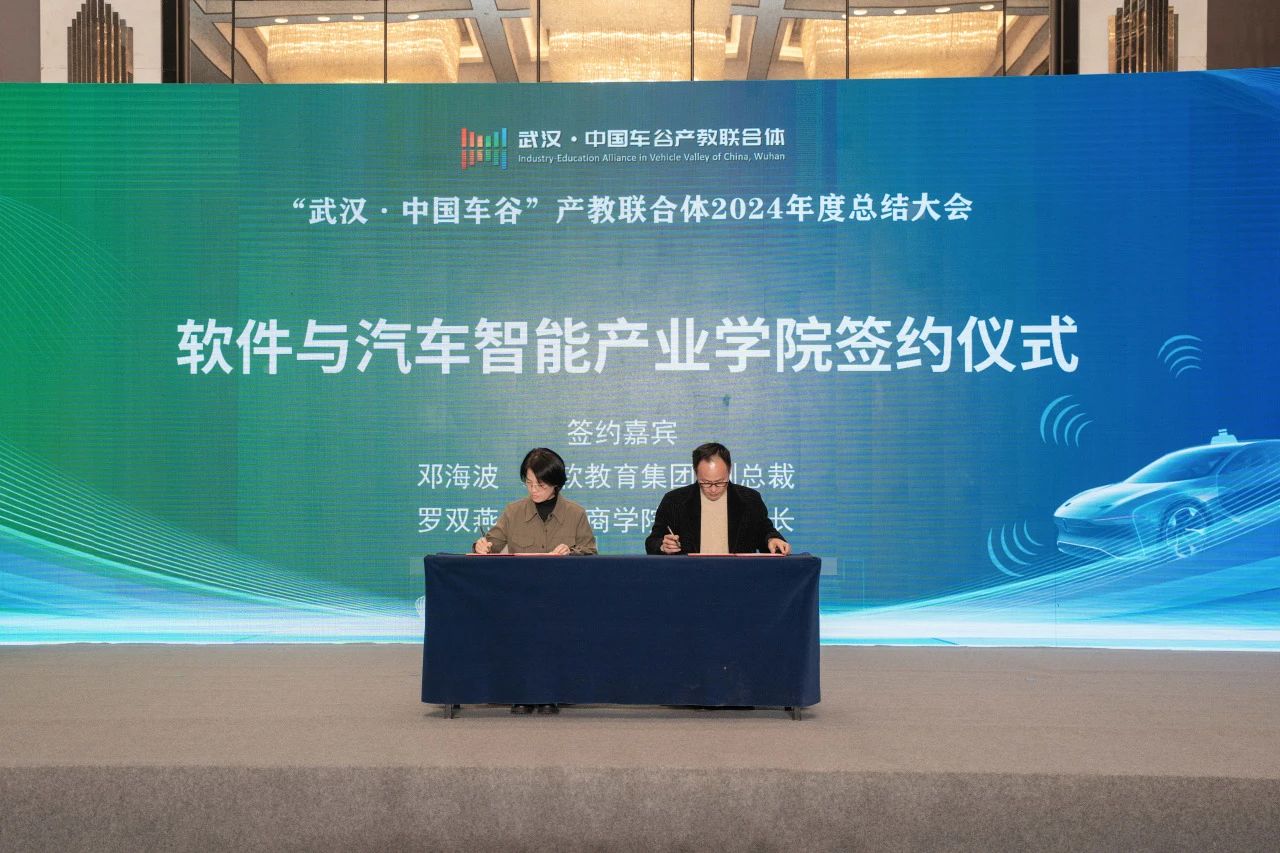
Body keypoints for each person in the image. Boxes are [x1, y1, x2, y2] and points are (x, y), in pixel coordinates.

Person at [473, 447, 597, 715]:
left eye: (540, 485)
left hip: (561, 597)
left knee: (554, 626)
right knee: (519, 624)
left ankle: (550, 692)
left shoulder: (575, 514)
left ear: (556, 483)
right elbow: (492, 543)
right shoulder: (513, 511)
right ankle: (521, 691)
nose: (533, 490)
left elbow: (590, 553)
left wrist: (571, 553)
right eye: (528, 483)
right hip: (521, 595)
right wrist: (481, 546)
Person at [645, 442, 791, 556]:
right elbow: (652, 541)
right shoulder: (674, 501)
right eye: (706, 483)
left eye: (720, 482)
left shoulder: (749, 500)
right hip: (689, 576)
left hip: (738, 577)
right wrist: (663, 546)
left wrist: (772, 539)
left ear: (729, 470)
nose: (713, 489)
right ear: (696, 472)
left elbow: (765, 531)